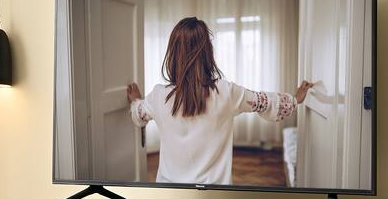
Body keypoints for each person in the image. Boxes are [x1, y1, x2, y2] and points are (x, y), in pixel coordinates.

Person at [127, 16, 313, 185]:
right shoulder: (226, 92)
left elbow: (138, 115)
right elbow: (266, 103)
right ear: (208, 53)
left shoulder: (158, 96)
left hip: (169, 193)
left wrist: (135, 100)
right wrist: (294, 99)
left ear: (173, 54)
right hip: (214, 194)